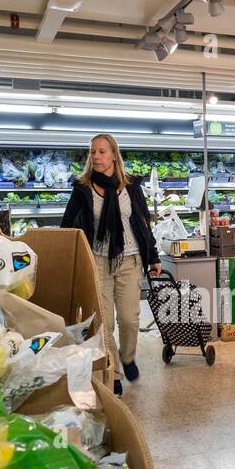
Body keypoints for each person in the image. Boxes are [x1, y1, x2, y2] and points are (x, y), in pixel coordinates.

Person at [61, 133, 162, 396]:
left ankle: (128, 358)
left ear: (114, 155)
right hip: (97, 260)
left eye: (102, 151)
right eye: (93, 152)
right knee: (105, 323)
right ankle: (113, 369)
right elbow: (68, 227)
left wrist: (153, 257)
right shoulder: (83, 189)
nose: (96, 156)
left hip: (130, 259)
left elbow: (142, 224)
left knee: (129, 319)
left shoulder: (130, 187)